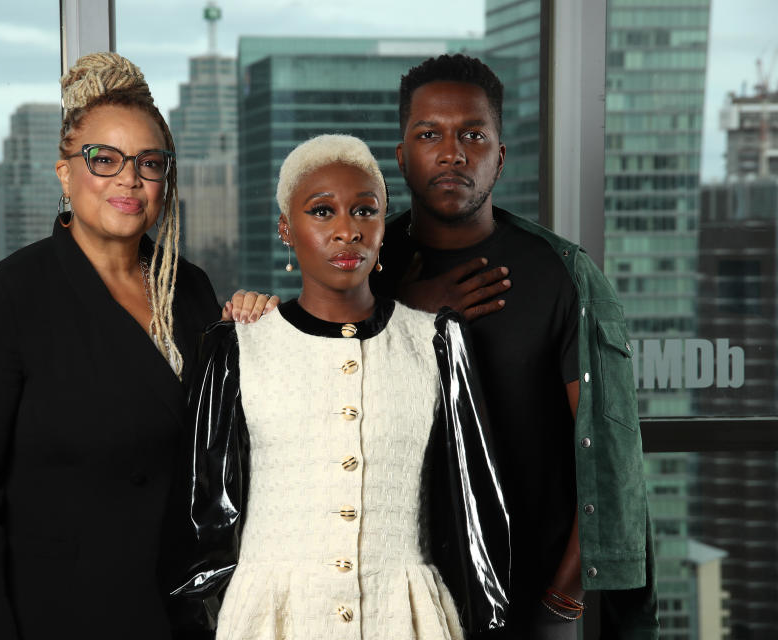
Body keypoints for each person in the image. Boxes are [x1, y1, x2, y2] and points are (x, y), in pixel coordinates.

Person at [0, 52, 274, 640]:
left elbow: (222, 450)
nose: (129, 178)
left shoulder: (189, 288)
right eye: (104, 159)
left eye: (149, 163)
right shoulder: (5, 300)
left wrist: (263, 332)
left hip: (183, 613)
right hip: (61, 614)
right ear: (65, 173)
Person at [172, 134, 511, 640]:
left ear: (381, 227)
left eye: (364, 211)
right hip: (272, 617)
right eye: (322, 212)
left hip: (404, 617)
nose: (347, 231)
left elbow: (474, 508)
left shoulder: (436, 342)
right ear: (286, 228)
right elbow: (206, 520)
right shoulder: (237, 347)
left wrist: (490, 623)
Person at [371, 54, 658, 638]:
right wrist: (404, 309)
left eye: (473, 135)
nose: (453, 152)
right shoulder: (364, 270)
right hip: (392, 595)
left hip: (532, 597)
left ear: (499, 157)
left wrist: (562, 601)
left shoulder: (563, 274)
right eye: (429, 134)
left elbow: (610, 458)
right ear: (402, 157)